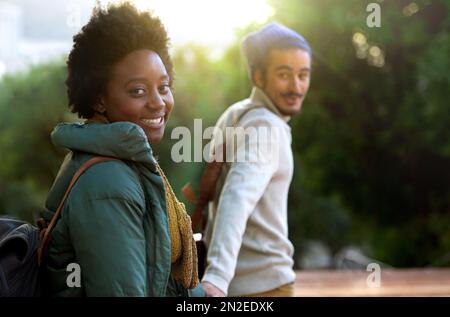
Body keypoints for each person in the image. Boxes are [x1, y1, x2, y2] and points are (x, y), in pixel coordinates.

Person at [42, 2, 201, 297]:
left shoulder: (125, 163)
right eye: (138, 91)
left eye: (164, 87)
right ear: (99, 99)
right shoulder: (108, 182)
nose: (158, 102)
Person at [201, 22, 312, 297]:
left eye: (303, 75)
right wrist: (217, 278)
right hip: (265, 286)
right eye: (284, 75)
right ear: (258, 77)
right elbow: (236, 197)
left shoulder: (236, 114)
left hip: (239, 285)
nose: (296, 86)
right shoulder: (267, 128)